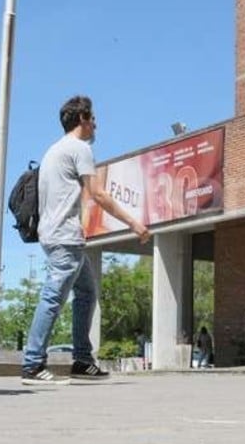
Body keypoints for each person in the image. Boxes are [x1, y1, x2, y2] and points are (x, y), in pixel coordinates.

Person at [22, 95, 151, 385]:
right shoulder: (79, 148)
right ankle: (32, 364)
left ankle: (82, 359)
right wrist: (134, 223)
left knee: (86, 293)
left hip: (53, 234)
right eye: (93, 118)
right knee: (53, 297)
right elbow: (98, 194)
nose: (95, 124)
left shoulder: (54, 149)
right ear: (82, 118)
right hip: (64, 236)